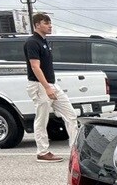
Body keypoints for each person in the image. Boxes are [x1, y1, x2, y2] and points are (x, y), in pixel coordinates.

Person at [24, 13, 78, 163]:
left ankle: (75, 150)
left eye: (50, 23)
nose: (50, 25)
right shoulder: (32, 42)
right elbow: (35, 67)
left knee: (71, 115)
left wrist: (50, 86)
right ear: (37, 25)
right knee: (42, 119)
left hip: (51, 84)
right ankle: (42, 152)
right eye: (46, 23)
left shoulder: (44, 42)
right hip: (39, 85)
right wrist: (46, 87)